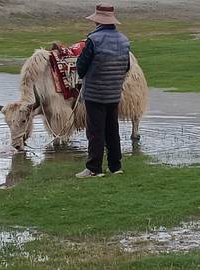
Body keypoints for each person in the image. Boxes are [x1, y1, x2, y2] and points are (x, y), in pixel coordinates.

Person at [75, 3, 130, 178]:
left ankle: (94, 168)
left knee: (95, 131)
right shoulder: (124, 40)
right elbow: (127, 67)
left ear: (97, 22)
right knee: (112, 130)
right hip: (114, 93)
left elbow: (81, 67)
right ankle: (115, 166)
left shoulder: (93, 40)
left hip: (94, 94)